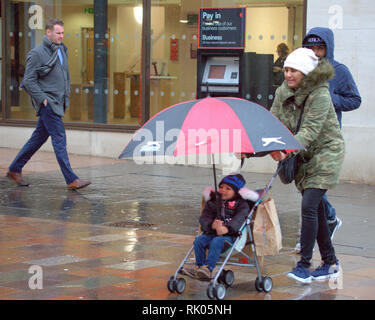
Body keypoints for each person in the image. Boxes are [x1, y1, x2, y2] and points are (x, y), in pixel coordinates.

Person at [269, 48, 345, 283]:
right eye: (286, 70)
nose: (288, 75)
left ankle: (304, 265)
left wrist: (285, 150)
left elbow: (310, 131)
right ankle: (331, 263)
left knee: (310, 205)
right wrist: (255, 147)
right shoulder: (283, 91)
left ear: (305, 72)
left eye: (294, 70)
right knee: (319, 212)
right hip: (302, 155)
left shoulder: (320, 94)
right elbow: (273, 122)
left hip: (326, 153)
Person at [6, 19, 91, 190]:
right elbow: (28, 81)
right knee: (59, 138)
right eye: (58, 33)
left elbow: (64, 75)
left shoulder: (62, 49)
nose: (61, 36)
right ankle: (71, 179)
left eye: (62, 32)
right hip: (49, 104)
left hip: (59, 102)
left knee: (38, 138)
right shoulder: (37, 53)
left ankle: (15, 169)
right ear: (48, 32)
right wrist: (43, 99)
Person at [298, 27, 361, 248]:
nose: (315, 53)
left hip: (327, 138)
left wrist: (330, 99)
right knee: (306, 185)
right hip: (304, 135)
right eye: (310, 47)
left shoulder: (339, 71)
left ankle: (313, 235)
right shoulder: (300, 68)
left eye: (320, 48)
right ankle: (329, 219)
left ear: (328, 49)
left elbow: (354, 100)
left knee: (313, 188)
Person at [183, 174, 259, 281]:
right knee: (199, 240)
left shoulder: (242, 204)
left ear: (236, 192)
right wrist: (211, 225)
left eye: (228, 188)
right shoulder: (214, 202)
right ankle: (200, 267)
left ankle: (209, 268)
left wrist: (226, 228)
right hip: (212, 233)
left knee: (217, 241)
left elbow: (239, 219)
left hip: (231, 238)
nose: (223, 190)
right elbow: (204, 217)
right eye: (221, 187)